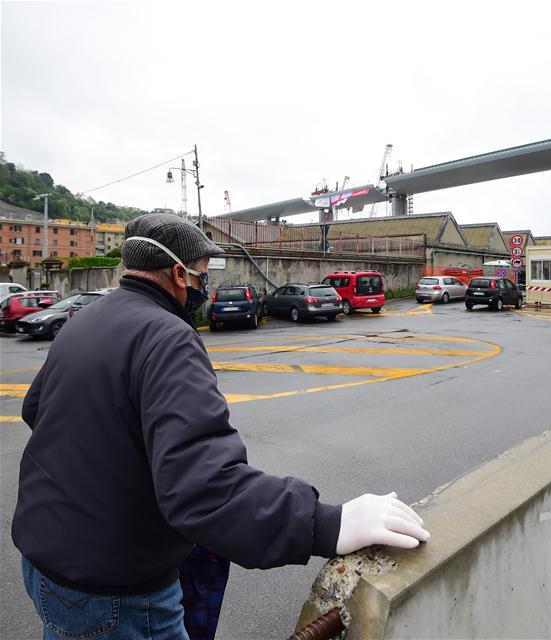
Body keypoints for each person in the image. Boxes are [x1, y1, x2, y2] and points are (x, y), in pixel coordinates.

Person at [13, 214, 429, 640]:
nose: (205, 285)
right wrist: (326, 524)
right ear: (179, 273)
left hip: (45, 560)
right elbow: (203, 485)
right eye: (203, 273)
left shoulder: (85, 319)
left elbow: (37, 409)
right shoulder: (167, 337)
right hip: (115, 591)